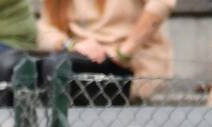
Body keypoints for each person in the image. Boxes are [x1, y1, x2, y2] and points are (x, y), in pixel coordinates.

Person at [36, 0, 177, 104]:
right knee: (38, 68)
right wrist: (71, 44)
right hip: (81, 56)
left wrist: (126, 50)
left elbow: (161, 4)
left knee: (57, 66)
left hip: (128, 61)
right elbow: (44, 29)